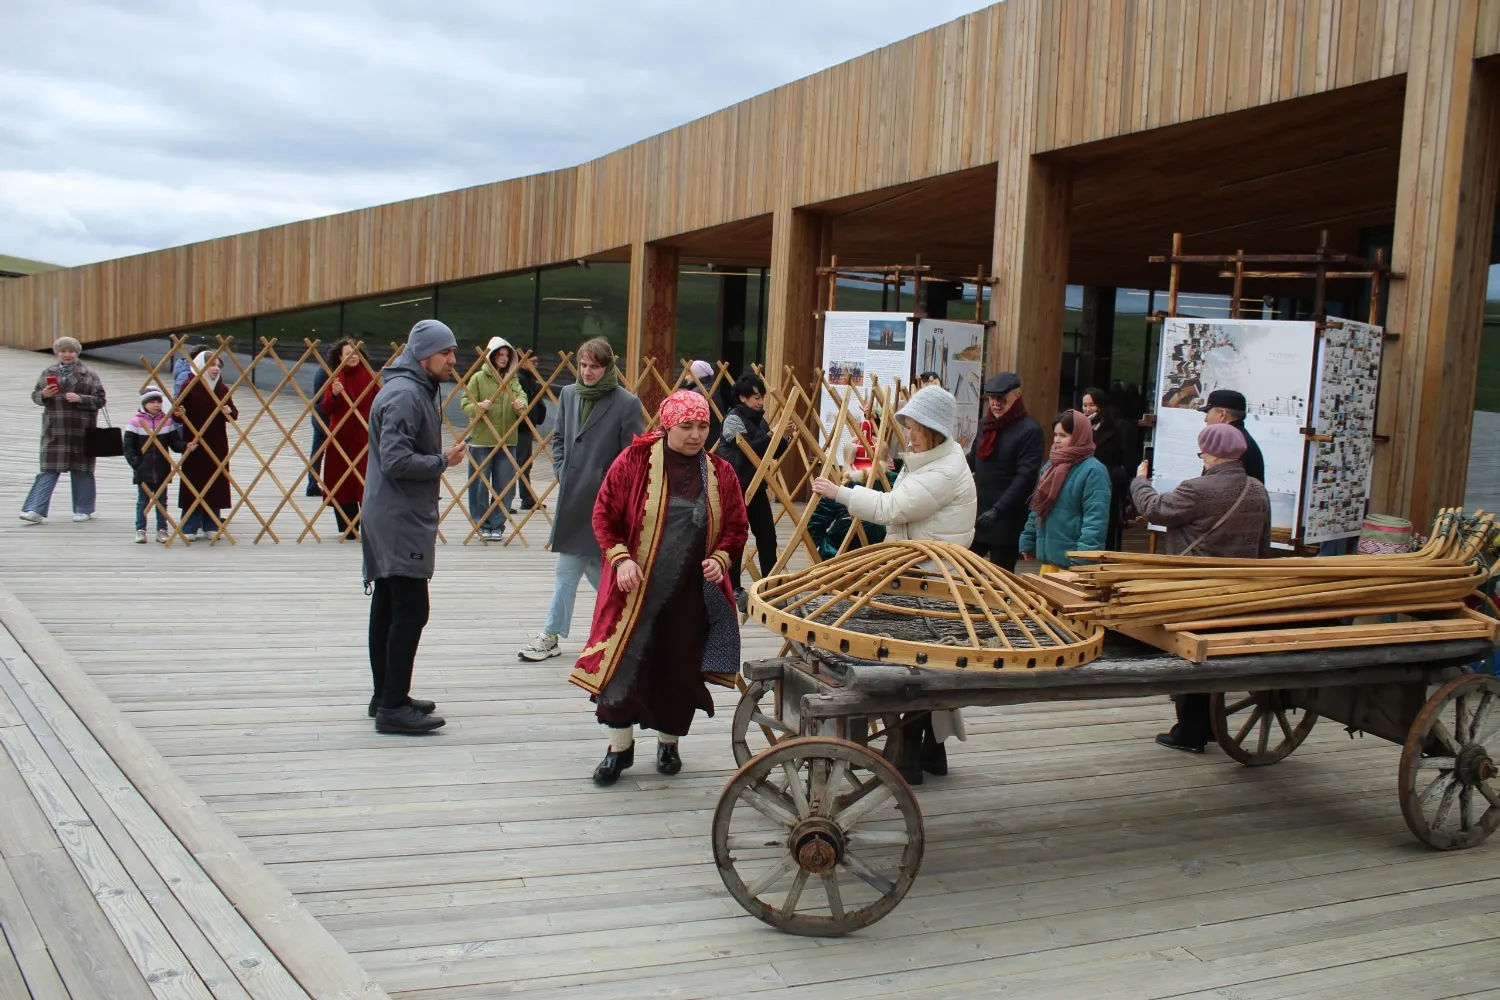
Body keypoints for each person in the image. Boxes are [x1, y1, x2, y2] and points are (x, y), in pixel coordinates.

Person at [572, 390, 749, 785]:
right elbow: (603, 514)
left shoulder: (720, 472)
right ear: (668, 425)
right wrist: (621, 559)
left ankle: (669, 744)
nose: (696, 435)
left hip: (689, 591)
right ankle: (619, 748)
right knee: (624, 663)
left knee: (678, 664)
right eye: (687, 426)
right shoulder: (633, 461)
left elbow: (737, 525)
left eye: (702, 426)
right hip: (634, 589)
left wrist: (721, 558)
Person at [811, 385, 977, 783]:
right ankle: (930, 753)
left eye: (916, 428)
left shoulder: (943, 470)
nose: (910, 434)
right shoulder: (930, 461)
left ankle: (909, 758)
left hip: (930, 579)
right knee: (925, 665)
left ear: (934, 430)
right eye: (909, 426)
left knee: (916, 668)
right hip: (919, 572)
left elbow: (893, 508)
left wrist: (840, 492)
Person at [1131, 423, 1272, 754]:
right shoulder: (1257, 489)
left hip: (1194, 590)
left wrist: (1139, 482)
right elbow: (1263, 544)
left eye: (1203, 452)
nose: (1203, 458)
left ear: (1212, 454)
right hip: (1238, 590)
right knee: (1215, 655)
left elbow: (1154, 509)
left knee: (1192, 656)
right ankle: (1208, 725)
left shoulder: (1196, 489)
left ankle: (1191, 732)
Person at [361, 319, 467, 734]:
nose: (453, 360)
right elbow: (396, 461)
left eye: (453, 351)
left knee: (389, 605)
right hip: (398, 517)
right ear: (423, 355)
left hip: (391, 511)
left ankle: (387, 695)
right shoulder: (406, 395)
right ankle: (392, 707)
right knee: (410, 610)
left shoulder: (412, 388)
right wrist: (443, 461)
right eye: (445, 353)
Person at [518, 338, 644, 661]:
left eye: (594, 367)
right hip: (573, 500)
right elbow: (559, 437)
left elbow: (632, 456)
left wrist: (607, 485)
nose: (587, 372)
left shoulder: (626, 403)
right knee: (573, 569)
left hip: (605, 504)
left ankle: (631, 626)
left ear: (608, 368)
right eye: (583, 365)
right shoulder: (569, 394)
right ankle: (558, 633)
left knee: (596, 571)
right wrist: (561, 469)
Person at [21, 337, 107, 525]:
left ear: (77, 353)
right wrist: (44, 395)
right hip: (55, 429)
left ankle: (84, 509)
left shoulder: (89, 374)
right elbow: (35, 396)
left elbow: (101, 400)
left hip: (81, 430)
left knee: (82, 470)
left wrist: (81, 398)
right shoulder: (48, 372)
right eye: (63, 351)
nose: (67, 355)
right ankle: (35, 509)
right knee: (48, 469)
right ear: (57, 353)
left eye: (71, 351)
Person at [968, 371, 1044, 571]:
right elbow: (973, 459)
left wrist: (998, 510)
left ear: (1016, 396)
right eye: (992, 398)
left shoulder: (1029, 430)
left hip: (1007, 517)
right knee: (964, 571)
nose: (995, 403)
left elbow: (1025, 478)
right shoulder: (986, 425)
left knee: (1000, 577)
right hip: (980, 513)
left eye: (1001, 398)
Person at [1018, 410, 1112, 571]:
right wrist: (1028, 539)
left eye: (1063, 435)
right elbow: (1038, 507)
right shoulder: (1051, 466)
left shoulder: (1093, 471)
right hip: (1050, 562)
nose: (1057, 440)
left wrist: (1084, 557)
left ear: (1079, 436)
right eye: (1055, 435)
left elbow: (1095, 520)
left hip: (1074, 564)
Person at [459, 336, 529, 541]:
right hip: (482, 439)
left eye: (507, 355)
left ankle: (497, 524)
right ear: (491, 356)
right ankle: (482, 523)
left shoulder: (512, 379)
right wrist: (478, 406)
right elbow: (465, 403)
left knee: (504, 485)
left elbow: (522, 396)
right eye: (500, 355)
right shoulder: (478, 378)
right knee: (479, 485)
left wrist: (521, 404)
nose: (504, 359)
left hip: (507, 439)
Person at [719, 373, 779, 603]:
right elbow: (747, 452)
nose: (760, 402)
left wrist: (783, 438)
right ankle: (734, 588)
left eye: (762, 397)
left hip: (757, 486)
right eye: (756, 397)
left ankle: (770, 586)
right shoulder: (733, 420)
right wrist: (770, 436)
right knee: (736, 539)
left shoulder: (760, 421)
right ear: (742, 397)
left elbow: (770, 453)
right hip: (737, 487)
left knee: (767, 537)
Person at [175, 351, 239, 541]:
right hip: (194, 442)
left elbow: (234, 414)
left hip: (217, 442)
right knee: (194, 482)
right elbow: (176, 413)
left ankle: (211, 523)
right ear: (201, 366)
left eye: (218, 365)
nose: (216, 369)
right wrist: (180, 413)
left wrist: (228, 410)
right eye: (211, 365)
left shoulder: (222, 388)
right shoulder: (190, 385)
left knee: (215, 482)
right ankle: (190, 525)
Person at [320, 339, 379, 539]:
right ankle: (348, 527)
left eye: (355, 353)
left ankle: (369, 526)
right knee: (341, 481)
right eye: (348, 354)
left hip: (364, 438)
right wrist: (335, 395)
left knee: (365, 480)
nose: (353, 357)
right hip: (341, 438)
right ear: (340, 357)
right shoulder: (336, 378)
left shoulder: (370, 377)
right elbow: (326, 407)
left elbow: (381, 403)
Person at [122, 386, 183, 543]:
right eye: (152, 402)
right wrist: (136, 464)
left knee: (162, 501)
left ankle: (162, 529)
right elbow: (128, 447)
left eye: (159, 402)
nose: (156, 405)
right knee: (143, 501)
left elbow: (175, 443)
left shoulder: (167, 421)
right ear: (145, 404)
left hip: (162, 468)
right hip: (143, 469)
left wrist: (185, 446)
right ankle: (140, 529)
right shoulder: (136, 422)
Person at [807, 443, 889, 560]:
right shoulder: (892, 483)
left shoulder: (843, 486)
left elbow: (815, 526)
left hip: (845, 558)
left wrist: (827, 552)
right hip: (882, 558)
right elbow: (815, 526)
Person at [1080, 387, 1137, 550]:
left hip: (1109, 483)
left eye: (1091, 405)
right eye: (1084, 405)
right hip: (1085, 481)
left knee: (1107, 526)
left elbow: (1129, 461)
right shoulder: (1081, 428)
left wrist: (1119, 477)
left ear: (1101, 406)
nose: (1087, 409)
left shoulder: (1120, 427)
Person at [1204, 388, 1265, 483]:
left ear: (1222, 414)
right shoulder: (1242, 439)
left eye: (1208, 413)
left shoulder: (1227, 443)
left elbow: (1213, 486)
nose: (1205, 419)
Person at [513, 351, 545, 511]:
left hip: (528, 427)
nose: (536, 365)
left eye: (536, 362)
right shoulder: (518, 379)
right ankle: (502, 500)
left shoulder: (530, 378)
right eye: (533, 361)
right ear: (523, 361)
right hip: (519, 428)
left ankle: (527, 498)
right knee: (515, 464)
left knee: (526, 464)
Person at [686, 359, 723, 449]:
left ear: (696, 374)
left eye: (688, 374)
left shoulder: (697, 394)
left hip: (702, 442)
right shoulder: (711, 390)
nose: (685, 378)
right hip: (712, 439)